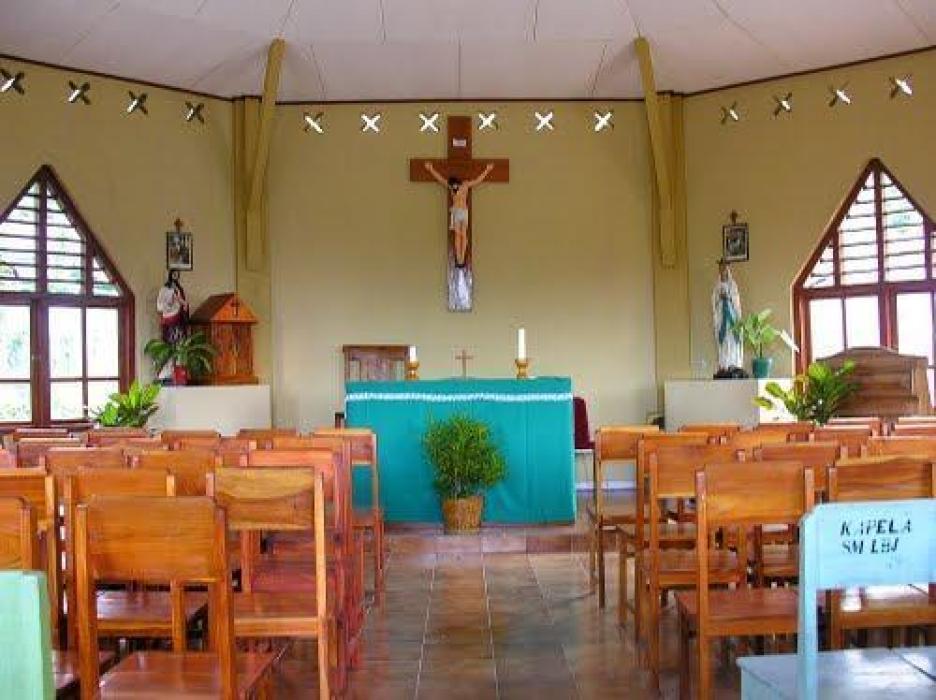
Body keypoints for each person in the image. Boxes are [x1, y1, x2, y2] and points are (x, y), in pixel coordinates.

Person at [424, 161, 495, 268]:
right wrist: (431, 169)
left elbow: (477, 180)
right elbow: (440, 179)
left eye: (455, 186)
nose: (454, 188)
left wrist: (487, 170)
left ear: (458, 182)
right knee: (458, 235)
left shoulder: (465, 185)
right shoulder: (451, 186)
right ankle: (459, 258)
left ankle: (462, 257)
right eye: (453, 187)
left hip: (464, 211)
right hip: (456, 212)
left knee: (464, 235)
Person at [712, 259, 743, 374]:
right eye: (721, 269)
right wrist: (720, 298)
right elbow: (714, 301)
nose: (723, 271)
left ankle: (734, 365)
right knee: (723, 342)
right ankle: (723, 365)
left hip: (731, 316)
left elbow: (736, 301)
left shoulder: (732, 285)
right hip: (721, 315)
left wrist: (728, 297)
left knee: (732, 341)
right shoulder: (717, 286)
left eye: (724, 268)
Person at [156, 269, 188, 344]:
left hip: (178, 314)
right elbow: (161, 303)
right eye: (174, 274)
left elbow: (181, 299)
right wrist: (171, 301)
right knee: (170, 335)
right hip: (169, 315)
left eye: (177, 275)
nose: (176, 276)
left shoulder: (179, 288)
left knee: (179, 334)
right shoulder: (165, 288)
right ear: (170, 275)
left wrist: (184, 304)